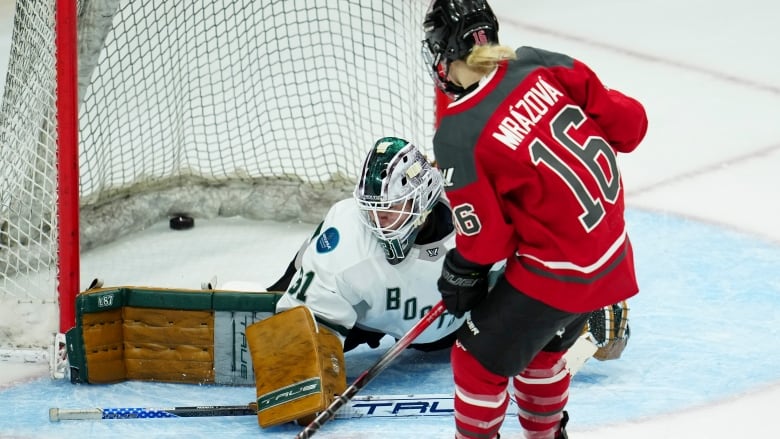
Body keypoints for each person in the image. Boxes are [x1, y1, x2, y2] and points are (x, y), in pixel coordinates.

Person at [421, 1, 648, 438]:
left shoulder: (458, 133)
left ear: (444, 54)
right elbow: (631, 125)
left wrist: (461, 273)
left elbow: (488, 244)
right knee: (540, 349)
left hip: (559, 275)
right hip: (612, 256)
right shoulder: (540, 62)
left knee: (473, 361)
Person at [270, 136, 463, 353]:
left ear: (422, 199)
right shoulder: (349, 231)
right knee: (290, 334)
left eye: (391, 207)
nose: (378, 219)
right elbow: (306, 333)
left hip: (451, 330)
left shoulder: (469, 216)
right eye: (371, 207)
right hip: (368, 317)